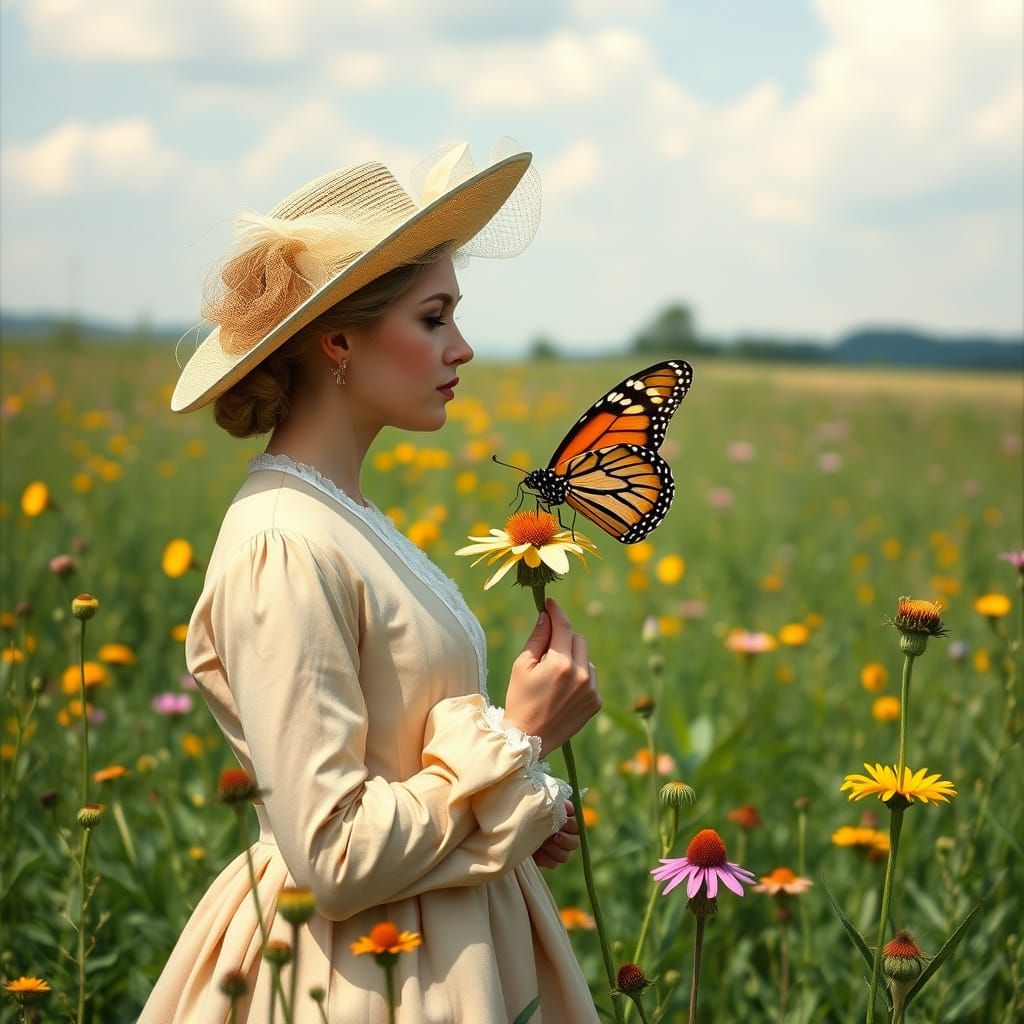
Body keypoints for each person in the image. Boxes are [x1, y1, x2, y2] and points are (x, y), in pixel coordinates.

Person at [139, 140, 604, 1023]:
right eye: (434, 318)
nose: (462, 348)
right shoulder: (282, 541)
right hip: (364, 976)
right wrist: (519, 741)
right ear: (339, 340)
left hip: (441, 946)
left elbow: (408, 761)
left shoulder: (346, 516)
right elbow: (333, 854)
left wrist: (519, 800)